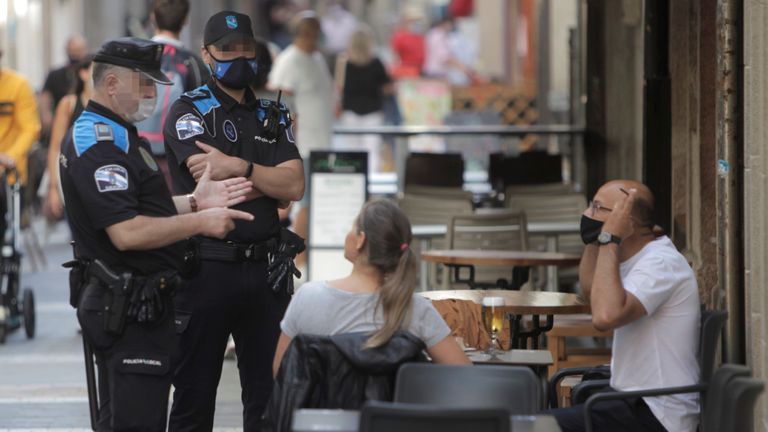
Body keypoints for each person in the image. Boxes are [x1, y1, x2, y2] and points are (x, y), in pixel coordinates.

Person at [59, 37, 255, 431]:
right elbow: (127, 232)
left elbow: (138, 209)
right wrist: (201, 223)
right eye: (144, 84)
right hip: (128, 307)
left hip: (139, 306)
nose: (152, 94)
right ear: (112, 84)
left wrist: (196, 203)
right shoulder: (98, 141)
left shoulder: (117, 132)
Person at [163, 11, 304, 431]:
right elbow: (209, 186)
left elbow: (295, 186)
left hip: (266, 272)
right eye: (227, 49)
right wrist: (269, 180)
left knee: (269, 400)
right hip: (207, 268)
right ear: (207, 54)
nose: (239, 56)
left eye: (246, 47)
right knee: (194, 397)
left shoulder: (271, 114)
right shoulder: (188, 112)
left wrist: (240, 165)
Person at [547, 180, 700, 432]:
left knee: (530, 425)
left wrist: (610, 238)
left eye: (597, 207)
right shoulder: (636, 258)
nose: (587, 214)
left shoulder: (660, 264)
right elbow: (590, 292)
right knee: (533, 421)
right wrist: (596, 240)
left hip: (657, 413)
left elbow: (605, 317)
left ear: (627, 221)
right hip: (627, 401)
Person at [273, 198, 470, 372]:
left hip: (319, 413)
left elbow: (280, 372)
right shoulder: (414, 309)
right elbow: (464, 375)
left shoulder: (308, 298)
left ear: (360, 240)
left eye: (353, 227)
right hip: (389, 414)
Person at [268, 11, 334, 271]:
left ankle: (303, 257)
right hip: (300, 144)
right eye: (310, 33)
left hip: (321, 141)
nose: (315, 38)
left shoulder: (317, 58)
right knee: (299, 203)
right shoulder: (288, 61)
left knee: (312, 202)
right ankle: (298, 259)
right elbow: (279, 104)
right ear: (300, 34)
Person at [137, 0, 210, 190]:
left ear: (153, 18)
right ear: (185, 20)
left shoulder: (134, 56)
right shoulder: (193, 63)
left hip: (135, 152)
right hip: (177, 158)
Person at [336, 26, 393, 174]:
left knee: (352, 151)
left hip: (350, 110)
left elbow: (339, 87)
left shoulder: (344, 63)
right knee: (372, 150)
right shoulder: (376, 63)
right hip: (373, 110)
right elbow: (387, 87)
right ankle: (372, 183)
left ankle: (354, 181)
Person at [43, 55, 93, 221]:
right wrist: (53, 189)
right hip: (73, 178)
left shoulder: (110, 105)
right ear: (83, 73)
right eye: (96, 71)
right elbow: (55, 146)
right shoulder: (69, 104)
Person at [40, 35, 88, 139]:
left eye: (78, 50)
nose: (74, 54)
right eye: (72, 50)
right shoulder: (55, 74)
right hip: (60, 119)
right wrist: (46, 116)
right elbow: (45, 96)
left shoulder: (88, 74)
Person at [389, 6, 426, 79]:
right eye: (414, 20)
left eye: (419, 20)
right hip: (407, 73)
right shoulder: (399, 36)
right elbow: (394, 57)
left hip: (420, 71)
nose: (417, 23)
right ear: (406, 21)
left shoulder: (419, 36)